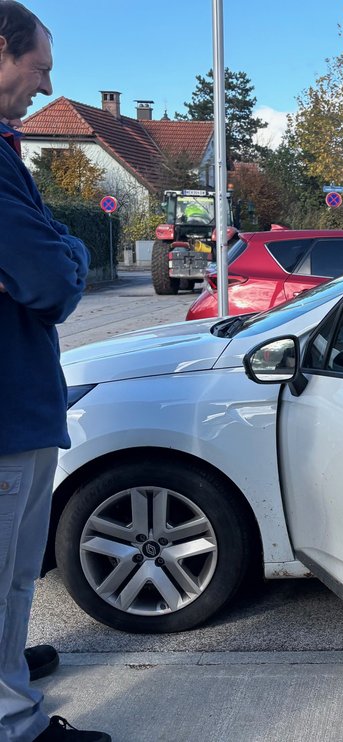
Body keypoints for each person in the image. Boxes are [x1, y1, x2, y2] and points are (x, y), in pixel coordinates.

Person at [0, 3, 110, 739]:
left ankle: (7, 670)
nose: (44, 88)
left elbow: (54, 258)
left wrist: (60, 251)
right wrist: (59, 256)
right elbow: (50, 281)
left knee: (16, 573)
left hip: (20, 406)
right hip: (5, 412)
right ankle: (14, 725)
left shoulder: (7, 151)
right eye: (38, 69)